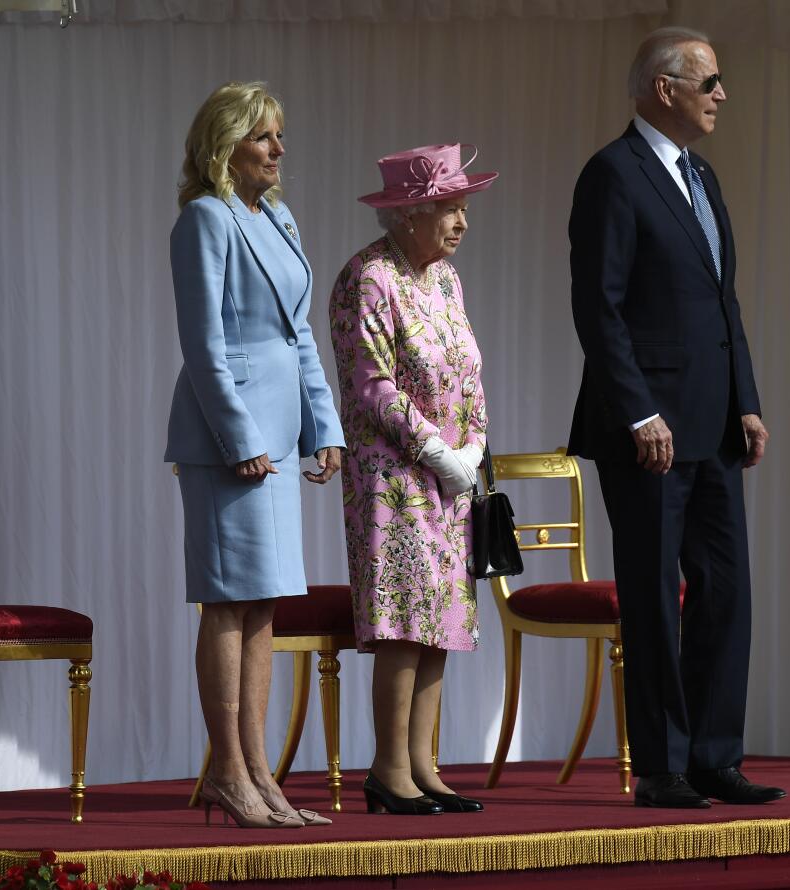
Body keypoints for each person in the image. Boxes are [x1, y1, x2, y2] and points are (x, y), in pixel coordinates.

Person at [567, 28, 786, 809]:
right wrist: (638, 412)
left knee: (728, 590)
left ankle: (713, 758)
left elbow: (723, 305)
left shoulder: (704, 176)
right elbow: (601, 309)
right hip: (648, 432)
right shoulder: (613, 175)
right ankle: (660, 766)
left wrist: (747, 400)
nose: (722, 94)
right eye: (711, 81)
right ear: (666, 89)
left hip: (715, 424)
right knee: (656, 595)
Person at [166, 81, 344, 828]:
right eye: (264, 137)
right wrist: (239, 438)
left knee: (264, 604)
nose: (278, 149)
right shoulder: (204, 220)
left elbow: (298, 333)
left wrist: (324, 424)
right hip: (226, 438)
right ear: (225, 147)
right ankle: (228, 772)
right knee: (228, 600)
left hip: (279, 430)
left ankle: (259, 770)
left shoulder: (277, 216)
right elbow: (204, 343)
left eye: (279, 135)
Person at [329, 144, 495, 815]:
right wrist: (436, 449)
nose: (461, 222)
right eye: (449, 208)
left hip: (449, 480)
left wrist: (475, 445)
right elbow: (369, 384)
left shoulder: (447, 280)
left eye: (462, 208)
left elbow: (469, 369)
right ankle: (388, 770)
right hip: (392, 477)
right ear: (408, 214)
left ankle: (425, 763)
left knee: (442, 620)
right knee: (403, 621)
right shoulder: (367, 278)